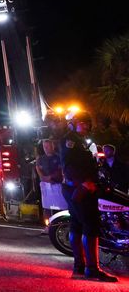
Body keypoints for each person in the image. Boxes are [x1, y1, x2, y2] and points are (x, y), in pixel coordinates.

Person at [61, 113, 118, 282]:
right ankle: (92, 269)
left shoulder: (81, 141)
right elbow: (68, 165)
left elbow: (90, 162)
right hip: (80, 188)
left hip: (78, 187)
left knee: (77, 225)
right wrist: (84, 183)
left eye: (87, 123)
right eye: (82, 123)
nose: (86, 125)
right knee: (90, 225)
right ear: (73, 123)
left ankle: (79, 267)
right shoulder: (70, 140)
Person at [35, 139, 64, 220]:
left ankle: (60, 223)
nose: (46, 148)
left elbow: (60, 170)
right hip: (46, 186)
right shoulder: (41, 159)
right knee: (47, 206)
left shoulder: (58, 157)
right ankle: (48, 225)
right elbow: (38, 167)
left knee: (60, 206)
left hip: (57, 185)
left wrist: (50, 177)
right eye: (44, 147)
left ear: (53, 146)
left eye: (48, 146)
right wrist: (43, 177)